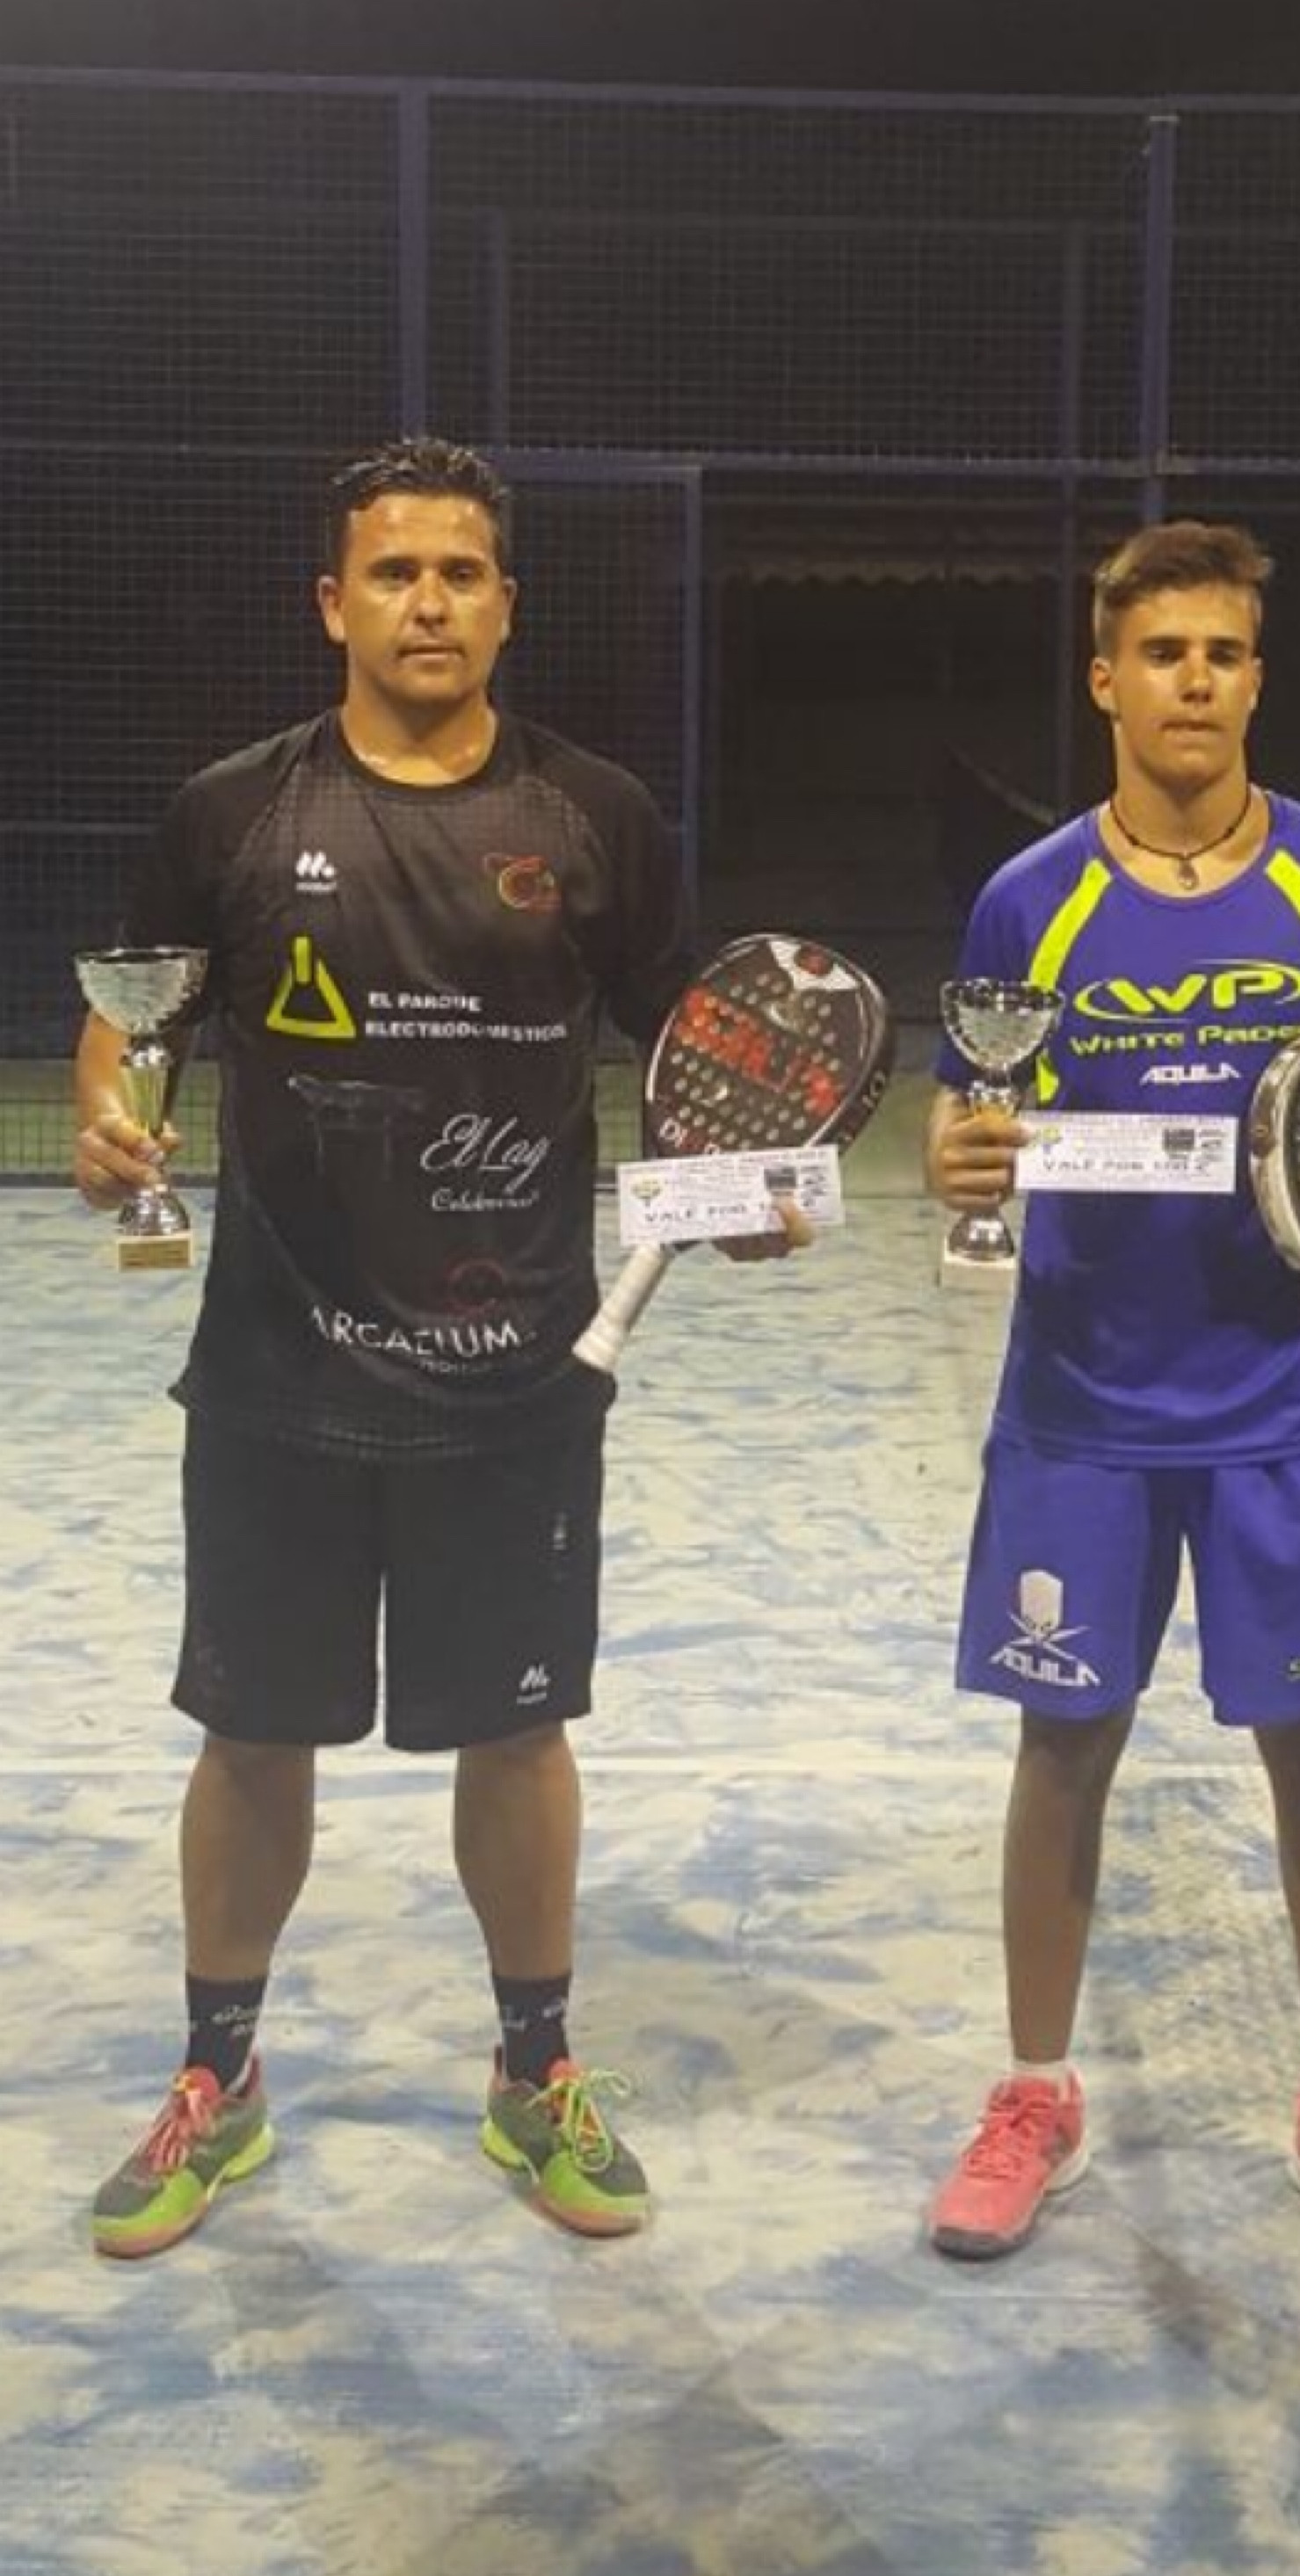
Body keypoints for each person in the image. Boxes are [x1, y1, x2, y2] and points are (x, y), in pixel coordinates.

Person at [76, 434, 803, 2259]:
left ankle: (535, 2068)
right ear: (334, 603)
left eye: (460, 572)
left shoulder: (594, 817)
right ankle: (219, 2077)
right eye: (394, 573)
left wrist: (759, 1182)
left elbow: (702, 1050)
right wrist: (111, 1114)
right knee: (254, 1731)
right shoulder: (233, 813)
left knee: (517, 1728)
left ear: (504, 604)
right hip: (279, 1372)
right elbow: (136, 1013)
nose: (428, 601)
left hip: (517, 1377)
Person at [925, 519, 1300, 2277]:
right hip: (1082, 1410)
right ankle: (1035, 2092)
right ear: (1106, 678)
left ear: (1256, 679)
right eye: (1163, 653)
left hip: (1291, 1405)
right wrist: (957, 1159)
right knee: (1062, 1750)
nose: (1194, 682)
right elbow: (971, 1113)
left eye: (1223, 654)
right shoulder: (1030, 900)